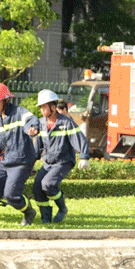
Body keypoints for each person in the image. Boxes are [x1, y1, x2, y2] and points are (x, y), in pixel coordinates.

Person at [0, 82, 40, 226]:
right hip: (7, 161)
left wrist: (33, 128)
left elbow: (31, 120)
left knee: (11, 195)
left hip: (23, 161)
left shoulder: (19, 112)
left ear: (5, 100)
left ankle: (29, 212)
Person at [33, 89, 90, 224]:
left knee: (48, 184)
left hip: (63, 162)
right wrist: (29, 162)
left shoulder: (66, 122)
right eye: (40, 107)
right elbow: (37, 148)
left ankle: (62, 208)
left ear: (53, 107)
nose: (42, 110)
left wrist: (84, 157)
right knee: (37, 188)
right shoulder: (41, 123)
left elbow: (79, 138)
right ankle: (46, 219)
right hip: (48, 163)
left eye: (44, 107)